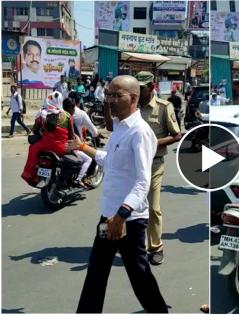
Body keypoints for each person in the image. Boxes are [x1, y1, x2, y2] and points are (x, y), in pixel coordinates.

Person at [68, 75, 168, 313]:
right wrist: (84, 148)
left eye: (117, 95)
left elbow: (143, 181)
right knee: (96, 274)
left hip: (128, 221)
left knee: (140, 278)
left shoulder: (140, 132)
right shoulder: (120, 127)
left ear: (133, 98)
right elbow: (110, 161)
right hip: (109, 217)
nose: (110, 100)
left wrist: (121, 216)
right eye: (109, 95)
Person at [135, 74, 181, 265]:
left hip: (154, 163)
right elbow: (114, 126)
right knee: (131, 206)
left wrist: (152, 143)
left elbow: (176, 135)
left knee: (152, 207)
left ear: (152, 86)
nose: (138, 91)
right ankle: (134, 244)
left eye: (142, 88)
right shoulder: (132, 106)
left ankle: (156, 247)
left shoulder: (163, 107)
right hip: (132, 164)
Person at [21, 91, 74, 187]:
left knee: (32, 149)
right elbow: (71, 136)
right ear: (60, 101)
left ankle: (31, 175)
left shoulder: (42, 114)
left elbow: (34, 130)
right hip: (62, 147)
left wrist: (43, 130)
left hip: (44, 145)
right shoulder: (67, 116)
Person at [62, 98, 93, 189]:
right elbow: (72, 136)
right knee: (88, 159)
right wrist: (84, 143)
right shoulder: (69, 118)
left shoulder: (58, 115)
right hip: (68, 146)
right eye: (74, 107)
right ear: (72, 107)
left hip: (56, 145)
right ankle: (78, 180)